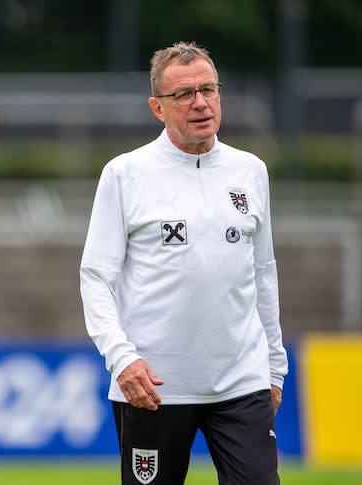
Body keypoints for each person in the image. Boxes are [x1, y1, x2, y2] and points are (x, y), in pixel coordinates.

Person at [79, 41, 288, 485]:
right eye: (184, 94)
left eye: (208, 89)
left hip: (241, 382)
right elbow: (96, 277)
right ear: (157, 107)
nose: (200, 103)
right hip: (152, 387)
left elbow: (264, 271)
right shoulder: (125, 174)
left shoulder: (251, 170)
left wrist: (274, 366)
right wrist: (121, 358)